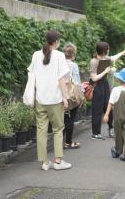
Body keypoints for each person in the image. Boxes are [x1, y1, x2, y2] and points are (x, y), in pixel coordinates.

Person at [28, 30, 71, 171]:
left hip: (40, 99)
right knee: (58, 129)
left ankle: (45, 162)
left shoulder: (36, 54)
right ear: (57, 42)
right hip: (55, 99)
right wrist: (65, 98)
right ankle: (58, 162)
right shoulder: (59, 56)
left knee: (41, 130)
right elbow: (62, 80)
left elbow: (32, 75)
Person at [90, 42, 125, 140]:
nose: (108, 50)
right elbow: (94, 78)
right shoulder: (94, 61)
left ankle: (111, 128)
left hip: (104, 84)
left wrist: (122, 52)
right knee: (97, 109)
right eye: (107, 49)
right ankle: (96, 133)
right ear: (104, 50)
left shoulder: (106, 58)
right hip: (96, 85)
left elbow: (113, 58)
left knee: (108, 105)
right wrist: (106, 72)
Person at [103, 68, 125, 162]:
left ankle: (118, 151)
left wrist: (106, 115)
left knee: (118, 133)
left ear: (120, 79)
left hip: (118, 116)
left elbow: (110, 103)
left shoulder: (116, 90)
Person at [63, 43, 82, 149]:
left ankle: (59, 142)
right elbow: (77, 82)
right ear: (73, 54)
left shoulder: (58, 64)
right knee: (70, 118)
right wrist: (81, 95)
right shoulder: (73, 65)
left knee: (61, 118)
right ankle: (68, 142)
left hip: (59, 94)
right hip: (70, 95)